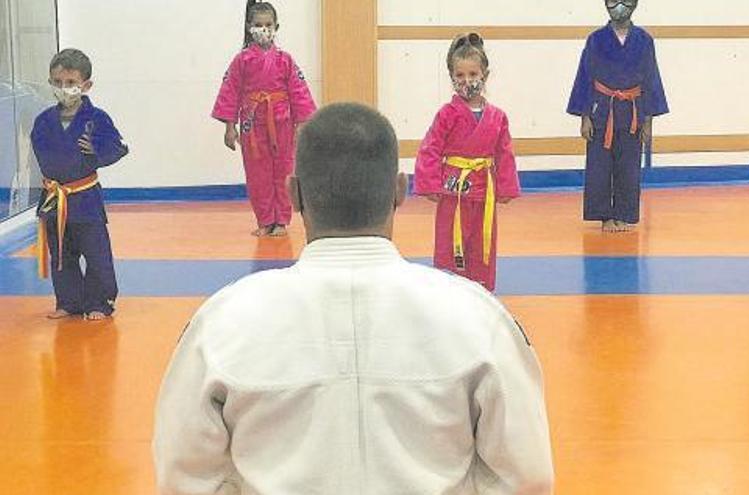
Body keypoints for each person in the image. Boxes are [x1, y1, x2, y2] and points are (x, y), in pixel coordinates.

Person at [153, 103, 554, 494]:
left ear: (293, 194)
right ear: (400, 190)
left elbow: (182, 479)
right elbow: (528, 477)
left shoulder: (223, 323)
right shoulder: (478, 319)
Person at [414, 32, 521, 292]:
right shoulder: (447, 114)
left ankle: (481, 287)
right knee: (451, 239)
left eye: (473, 75)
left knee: (482, 241)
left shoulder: (498, 117)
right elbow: (431, 147)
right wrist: (430, 185)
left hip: (484, 189)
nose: (467, 81)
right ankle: (449, 288)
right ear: (451, 77)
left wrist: (507, 188)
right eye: (460, 76)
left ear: (485, 75)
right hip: (454, 189)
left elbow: (504, 152)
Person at [30, 48, 128, 320]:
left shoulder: (97, 119)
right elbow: (39, 151)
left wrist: (96, 151)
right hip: (54, 196)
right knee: (62, 253)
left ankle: (100, 301)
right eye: (58, 82)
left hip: (84, 196)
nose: (64, 88)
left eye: (71, 83)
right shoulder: (43, 120)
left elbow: (118, 148)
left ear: (86, 85)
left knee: (96, 252)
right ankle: (69, 301)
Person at [212, 0, 317, 237]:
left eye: (268, 24)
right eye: (258, 24)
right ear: (249, 26)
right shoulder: (242, 60)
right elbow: (230, 92)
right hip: (251, 124)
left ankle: (281, 220)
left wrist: (302, 125)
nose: (263, 29)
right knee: (257, 173)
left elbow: (299, 92)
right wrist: (230, 128)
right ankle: (265, 219)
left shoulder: (285, 60)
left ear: (276, 27)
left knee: (284, 171)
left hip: (282, 122)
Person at [566, 0, 668, 232]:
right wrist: (584, 117)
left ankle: (624, 214)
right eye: (614, 1)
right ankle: (604, 216)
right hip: (601, 109)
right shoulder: (596, 39)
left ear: (635, 4)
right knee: (599, 166)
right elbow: (585, 77)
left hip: (633, 112)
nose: (619, 6)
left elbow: (651, 81)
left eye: (626, 1)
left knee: (629, 166)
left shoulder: (644, 40)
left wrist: (648, 121)